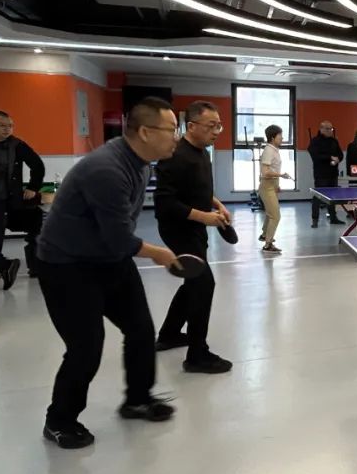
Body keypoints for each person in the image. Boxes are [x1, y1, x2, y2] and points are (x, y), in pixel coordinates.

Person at [36, 97, 180, 449]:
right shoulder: (107, 170)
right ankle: (59, 420)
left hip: (109, 260)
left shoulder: (142, 164)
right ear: (145, 132)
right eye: (171, 129)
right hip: (66, 265)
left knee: (141, 329)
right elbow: (119, 239)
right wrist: (160, 254)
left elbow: (118, 237)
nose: (176, 137)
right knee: (86, 346)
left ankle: (138, 399)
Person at [152, 101, 233, 374]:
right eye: (211, 126)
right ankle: (197, 355)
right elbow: (165, 203)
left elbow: (198, 189)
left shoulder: (202, 152)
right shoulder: (174, 155)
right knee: (203, 283)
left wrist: (217, 204)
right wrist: (203, 217)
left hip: (195, 227)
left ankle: (169, 334)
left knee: (193, 282)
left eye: (219, 125)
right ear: (192, 125)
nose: (217, 131)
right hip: (178, 229)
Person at [0, 110, 45, 288]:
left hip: (3, 199)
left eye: (10, 126)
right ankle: (4, 266)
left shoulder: (16, 145)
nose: (7, 129)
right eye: (2, 125)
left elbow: (37, 165)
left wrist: (32, 187)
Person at [258, 124, 291, 253]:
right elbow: (265, 172)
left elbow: (272, 168)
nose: (282, 138)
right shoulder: (268, 150)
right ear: (272, 138)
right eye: (280, 135)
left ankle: (264, 235)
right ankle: (268, 244)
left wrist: (277, 185)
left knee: (270, 213)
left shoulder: (274, 150)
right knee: (275, 216)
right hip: (267, 187)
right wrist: (281, 175)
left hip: (272, 186)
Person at [309, 120, 345, 227]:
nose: (330, 131)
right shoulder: (315, 141)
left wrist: (337, 159)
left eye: (331, 129)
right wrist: (330, 157)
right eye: (328, 129)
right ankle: (315, 219)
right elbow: (315, 156)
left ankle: (333, 218)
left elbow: (340, 154)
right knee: (318, 196)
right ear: (321, 129)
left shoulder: (334, 141)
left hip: (333, 173)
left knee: (332, 197)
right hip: (321, 174)